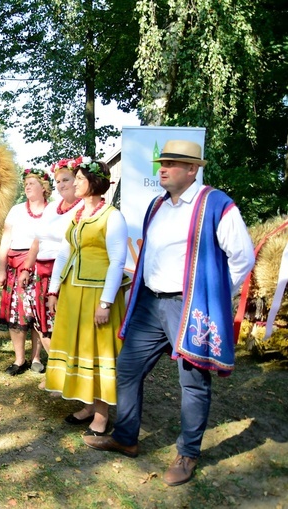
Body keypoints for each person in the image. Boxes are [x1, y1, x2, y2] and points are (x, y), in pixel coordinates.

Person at [83, 140, 255, 486]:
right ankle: (126, 437)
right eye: (162, 162)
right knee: (127, 369)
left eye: (173, 163)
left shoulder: (216, 204)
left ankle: (188, 452)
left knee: (192, 382)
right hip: (150, 303)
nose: (163, 168)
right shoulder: (157, 205)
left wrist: (215, 297)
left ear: (193, 169)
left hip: (189, 305)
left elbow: (243, 257)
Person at [45, 157, 129, 436]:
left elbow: (117, 261)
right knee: (81, 348)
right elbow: (65, 252)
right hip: (74, 291)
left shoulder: (112, 216)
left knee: (98, 350)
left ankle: (103, 414)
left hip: (97, 294)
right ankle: (89, 404)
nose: (75, 182)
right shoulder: (77, 214)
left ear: (94, 182)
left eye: (80, 178)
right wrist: (54, 289)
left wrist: (106, 303)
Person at [19, 160, 83, 387]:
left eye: (66, 179)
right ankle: (57, 373)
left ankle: (71, 375)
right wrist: (27, 266)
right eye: (57, 181)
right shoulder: (52, 207)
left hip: (65, 274)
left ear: (78, 180)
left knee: (64, 326)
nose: (61, 184)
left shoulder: (84, 207)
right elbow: (38, 240)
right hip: (41, 272)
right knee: (42, 324)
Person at [0, 168, 49, 375]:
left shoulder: (52, 211)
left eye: (31, 183)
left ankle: (36, 358)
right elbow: (6, 240)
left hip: (40, 265)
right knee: (16, 313)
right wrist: (1, 268)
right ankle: (19, 359)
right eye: (25, 183)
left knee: (38, 313)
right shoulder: (16, 210)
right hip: (15, 266)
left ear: (43, 188)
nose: (27, 187)